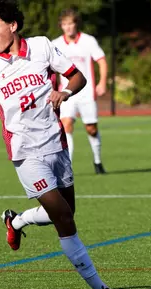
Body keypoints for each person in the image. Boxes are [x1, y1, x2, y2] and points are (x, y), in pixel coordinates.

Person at [0, 1, 121, 289]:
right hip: (25, 153)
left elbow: (78, 77)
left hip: (56, 144)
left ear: (13, 26)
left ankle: (16, 220)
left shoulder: (42, 47)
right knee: (65, 220)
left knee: (67, 212)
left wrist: (65, 92)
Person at [52, 8, 108, 174]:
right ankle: (67, 166)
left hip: (87, 92)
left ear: (76, 24)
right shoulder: (56, 44)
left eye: (71, 23)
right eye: (65, 24)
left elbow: (101, 61)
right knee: (66, 125)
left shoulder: (88, 41)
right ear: (61, 26)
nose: (68, 27)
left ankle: (97, 161)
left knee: (91, 128)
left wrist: (102, 82)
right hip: (67, 93)